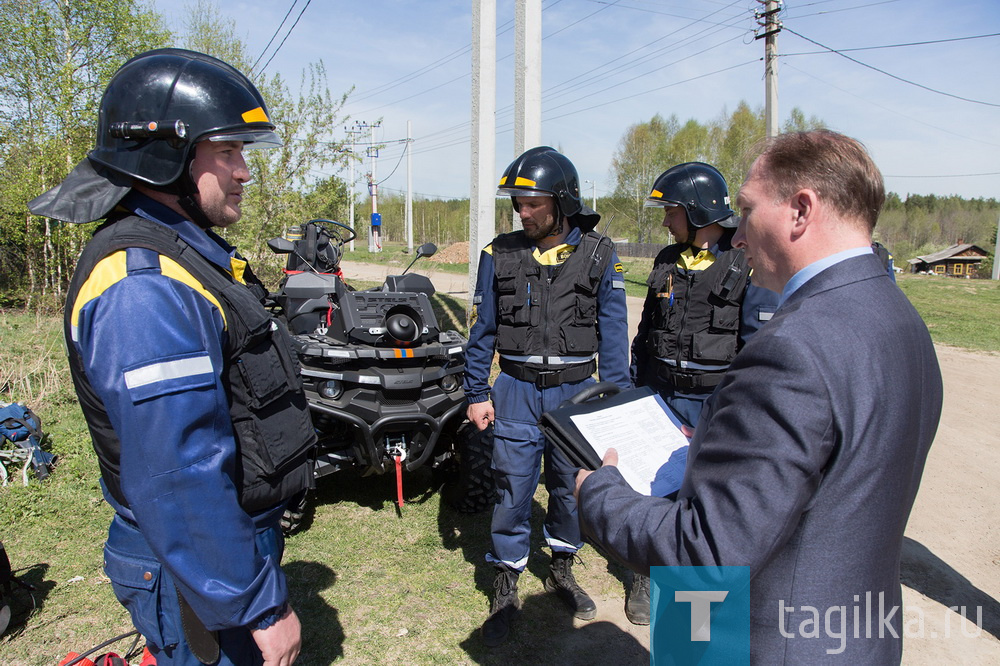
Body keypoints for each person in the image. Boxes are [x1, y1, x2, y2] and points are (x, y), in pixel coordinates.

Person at [575, 130, 943, 662]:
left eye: (747, 211)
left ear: (800, 210)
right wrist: (720, 444)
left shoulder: (793, 348)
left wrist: (601, 494)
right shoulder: (898, 317)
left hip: (769, 642)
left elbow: (706, 553)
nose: (739, 236)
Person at [29, 49, 315, 666]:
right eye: (228, 151)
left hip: (217, 547)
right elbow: (177, 472)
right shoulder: (145, 288)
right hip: (196, 560)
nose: (244, 172)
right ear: (168, 156)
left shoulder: (187, 254)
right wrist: (257, 605)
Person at [464, 146, 630, 647]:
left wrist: (615, 404)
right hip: (513, 388)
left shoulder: (601, 255)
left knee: (568, 485)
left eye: (532, 202)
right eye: (518, 202)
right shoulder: (499, 254)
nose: (522, 211)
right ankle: (507, 577)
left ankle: (561, 567)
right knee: (512, 487)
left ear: (562, 201)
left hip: (576, 392)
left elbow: (615, 337)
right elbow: (483, 330)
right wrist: (476, 390)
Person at [624, 162, 779, 625]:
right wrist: (637, 390)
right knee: (653, 487)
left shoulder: (745, 259)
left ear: (695, 210)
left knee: (706, 495)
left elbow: (756, 348)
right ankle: (646, 574)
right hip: (660, 395)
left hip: (711, 402)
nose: (665, 219)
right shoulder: (666, 260)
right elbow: (647, 329)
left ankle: (698, 590)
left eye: (671, 210)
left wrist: (727, 412)